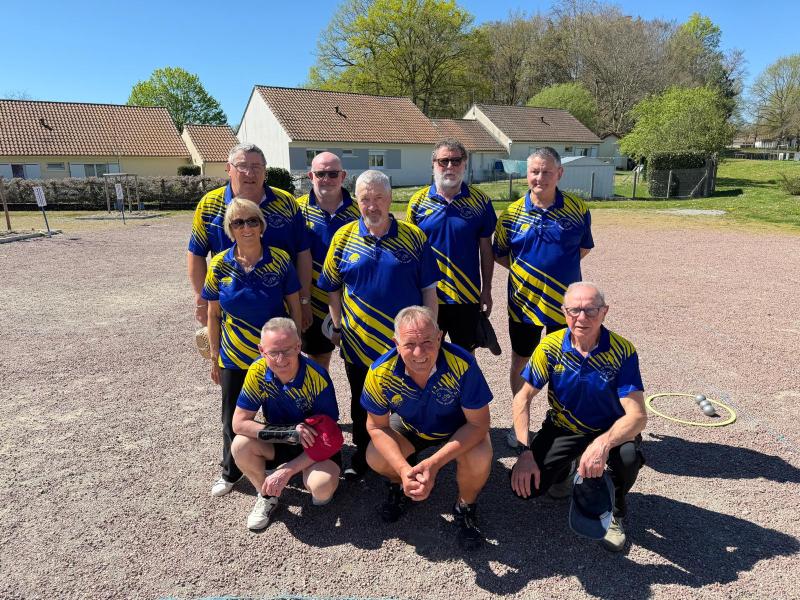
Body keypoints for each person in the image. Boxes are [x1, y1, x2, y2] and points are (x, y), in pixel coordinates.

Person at [317, 170, 440, 479]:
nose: (372, 206)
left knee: (406, 399)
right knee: (362, 400)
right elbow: (332, 287)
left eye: (379, 198)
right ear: (357, 201)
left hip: (405, 343)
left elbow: (429, 290)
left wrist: (430, 333)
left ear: (390, 198)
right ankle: (364, 452)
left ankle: (406, 456)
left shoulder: (414, 237)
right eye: (365, 199)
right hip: (358, 341)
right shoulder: (343, 237)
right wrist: (337, 324)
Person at [509, 282, 647, 552]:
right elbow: (522, 398)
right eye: (574, 310)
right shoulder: (550, 347)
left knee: (627, 458)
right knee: (524, 488)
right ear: (564, 312)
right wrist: (525, 452)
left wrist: (603, 444)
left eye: (591, 310)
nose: (581, 317)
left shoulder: (622, 351)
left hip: (609, 429)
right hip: (564, 427)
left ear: (604, 312)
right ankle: (565, 470)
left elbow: (637, 415)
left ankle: (615, 511)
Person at [362, 306, 493, 550]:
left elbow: (479, 423)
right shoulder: (379, 372)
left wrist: (433, 464)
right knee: (375, 454)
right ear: (396, 344)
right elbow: (376, 427)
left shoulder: (462, 363)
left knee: (479, 455)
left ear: (440, 337)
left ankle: (465, 505)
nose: (419, 352)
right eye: (409, 344)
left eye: (427, 342)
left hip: (458, 428)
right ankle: (400, 483)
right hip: (410, 426)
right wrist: (402, 469)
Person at [493, 147, 594, 448]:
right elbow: (500, 254)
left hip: (566, 307)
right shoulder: (511, 214)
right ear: (527, 174)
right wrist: (531, 276)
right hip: (523, 305)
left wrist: (555, 274)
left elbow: (582, 249)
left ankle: (561, 427)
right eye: (534, 171)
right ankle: (520, 424)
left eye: (546, 171)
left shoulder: (577, 209)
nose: (540, 177)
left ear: (559, 173)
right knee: (522, 361)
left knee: (566, 363)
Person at [203, 198, 303, 497]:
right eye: (238, 223)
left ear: (262, 225)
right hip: (234, 356)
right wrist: (214, 356)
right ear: (230, 229)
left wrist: (296, 347)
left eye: (252, 221)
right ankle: (231, 472)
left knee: (282, 413)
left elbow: (295, 306)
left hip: (276, 356)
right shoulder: (219, 264)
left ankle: (286, 464)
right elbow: (213, 315)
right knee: (232, 418)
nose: (245, 227)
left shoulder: (280, 259)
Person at [187, 143, 313, 331]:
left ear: (265, 170)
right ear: (228, 169)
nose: (250, 173)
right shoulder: (209, 204)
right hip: (231, 311)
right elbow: (196, 253)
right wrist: (201, 300)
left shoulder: (286, 202)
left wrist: (303, 300)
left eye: (256, 167)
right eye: (242, 166)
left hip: (282, 308)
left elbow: (303, 252)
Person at [231, 318, 341, 531]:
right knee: (240, 445)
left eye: (287, 351)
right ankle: (266, 495)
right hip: (280, 438)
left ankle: (297, 473)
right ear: (262, 350)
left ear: (298, 347)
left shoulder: (317, 377)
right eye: (273, 352)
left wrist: (287, 471)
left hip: (315, 443)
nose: (280, 359)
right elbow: (239, 423)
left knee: (321, 488)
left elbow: (330, 436)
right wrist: (289, 433)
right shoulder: (257, 371)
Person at [406, 139, 496, 351]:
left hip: (466, 295)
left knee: (465, 356)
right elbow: (410, 252)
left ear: (465, 164)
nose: (450, 166)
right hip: (428, 293)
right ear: (433, 164)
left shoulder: (481, 202)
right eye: (443, 161)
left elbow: (486, 250)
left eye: (456, 161)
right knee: (426, 353)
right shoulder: (417, 202)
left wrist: (487, 289)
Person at [296, 152, 360, 369]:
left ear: (343, 176)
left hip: (351, 301)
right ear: (310, 176)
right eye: (320, 174)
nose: (326, 179)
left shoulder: (359, 210)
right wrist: (302, 302)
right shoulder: (296, 210)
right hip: (312, 300)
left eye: (333, 174)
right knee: (318, 360)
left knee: (357, 361)